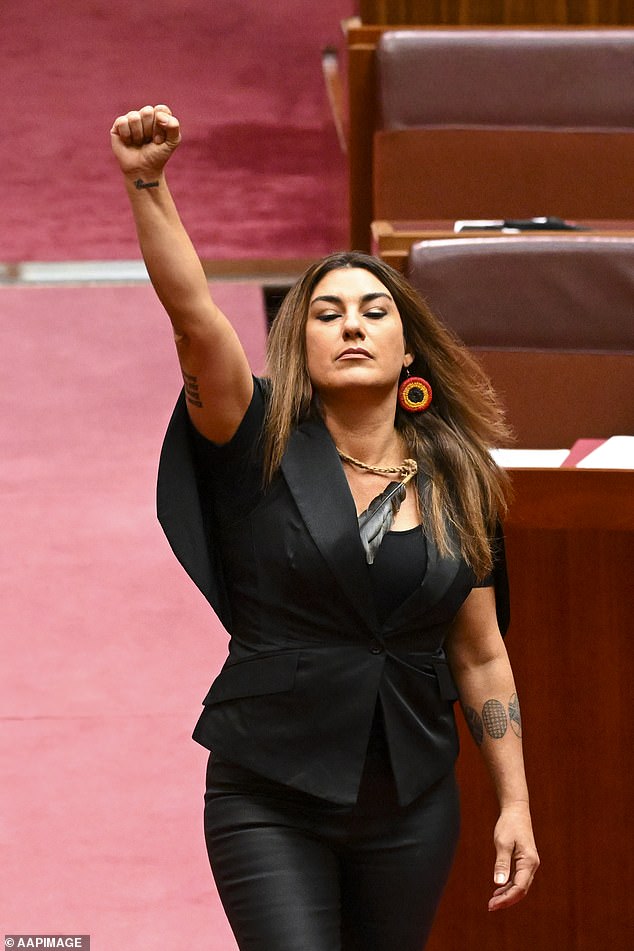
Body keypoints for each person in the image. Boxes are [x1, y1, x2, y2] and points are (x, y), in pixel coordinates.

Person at [111, 104, 539, 951]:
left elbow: (480, 651)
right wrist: (148, 183)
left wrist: (515, 801)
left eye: (375, 311)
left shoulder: (460, 475)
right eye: (327, 312)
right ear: (296, 343)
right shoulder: (255, 440)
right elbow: (195, 318)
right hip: (271, 788)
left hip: (412, 799)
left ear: (409, 350)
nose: (351, 324)